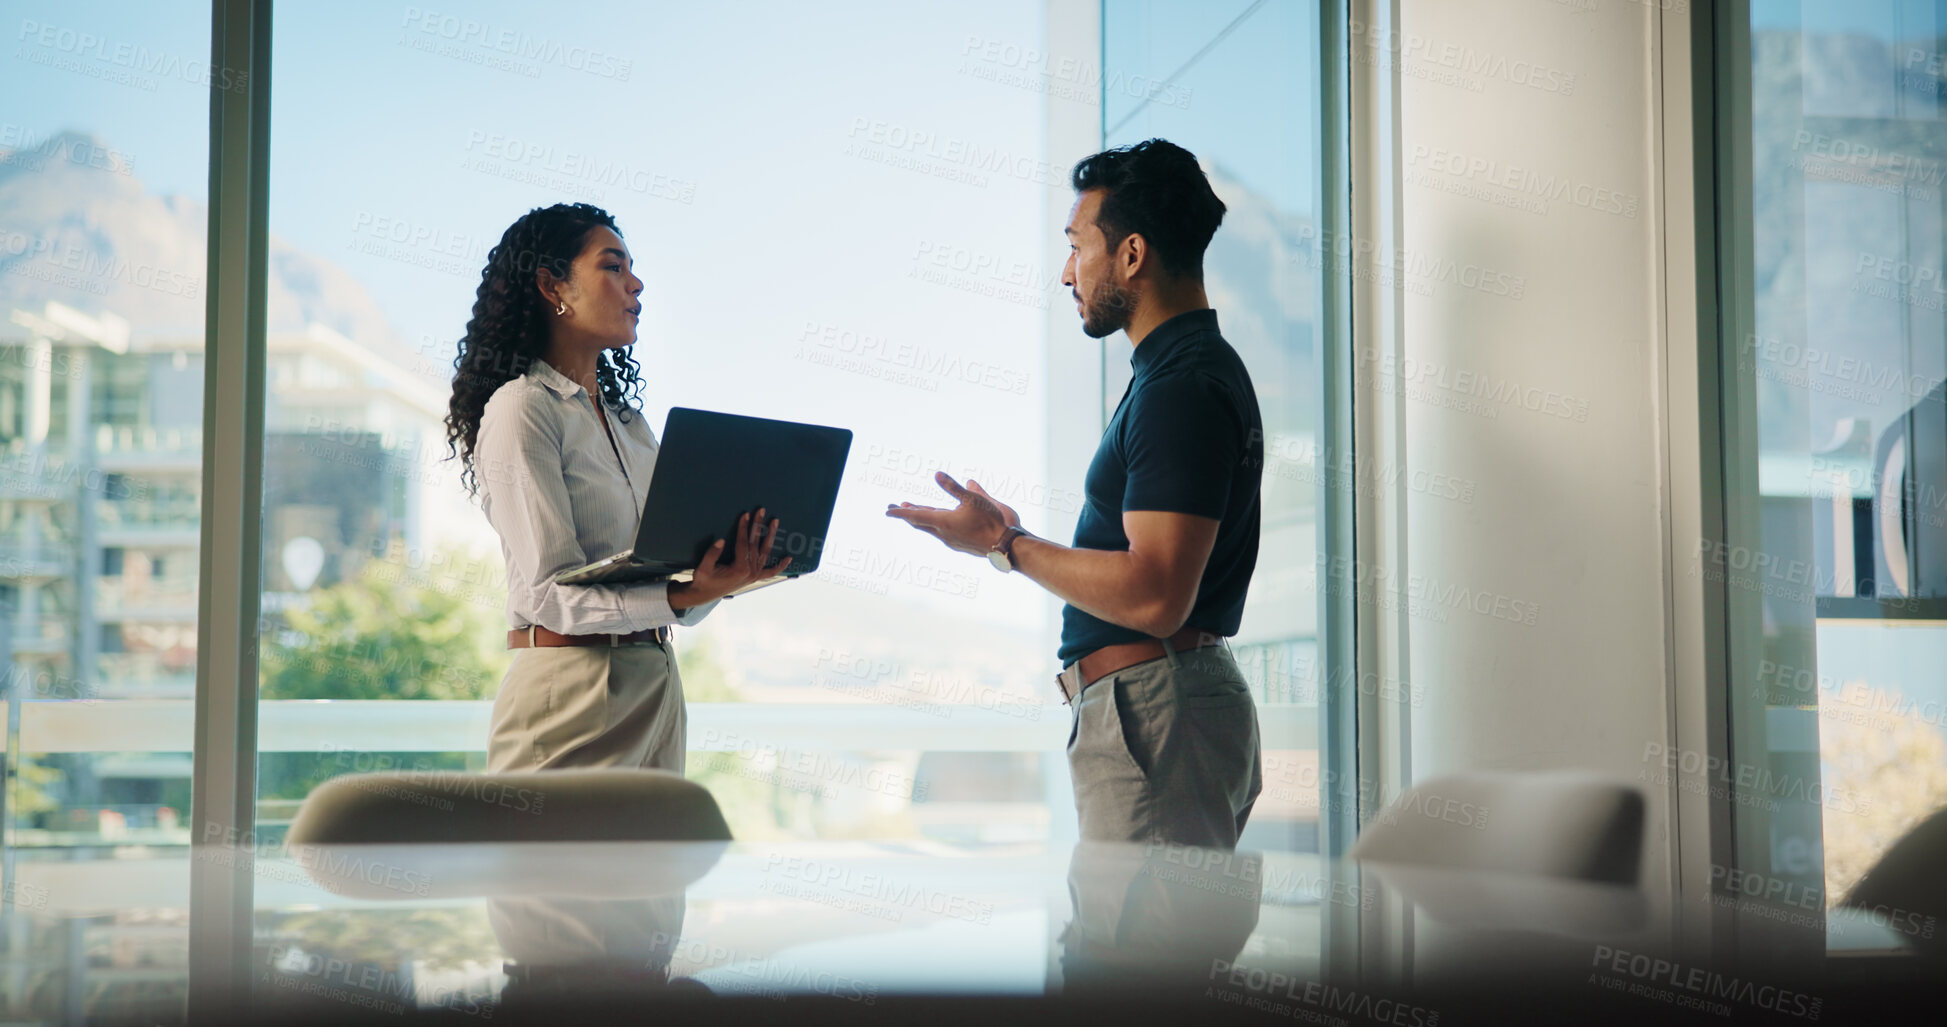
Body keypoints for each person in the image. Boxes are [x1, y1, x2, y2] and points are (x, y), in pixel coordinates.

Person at [889, 139, 1264, 848]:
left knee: (1137, 955)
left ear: (1129, 254)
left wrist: (1006, 544)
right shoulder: (1182, 372)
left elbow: (1155, 596)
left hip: (1156, 710)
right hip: (1161, 707)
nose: (1066, 273)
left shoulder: (1179, 387)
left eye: (1075, 245)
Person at [444, 202, 791, 772]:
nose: (637, 284)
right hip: (569, 696)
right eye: (613, 267)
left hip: (654, 683)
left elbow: (660, 585)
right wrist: (682, 596)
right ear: (553, 285)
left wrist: (717, 581)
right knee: (559, 865)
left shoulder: (630, 425)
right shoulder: (523, 410)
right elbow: (545, 596)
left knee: (653, 865)